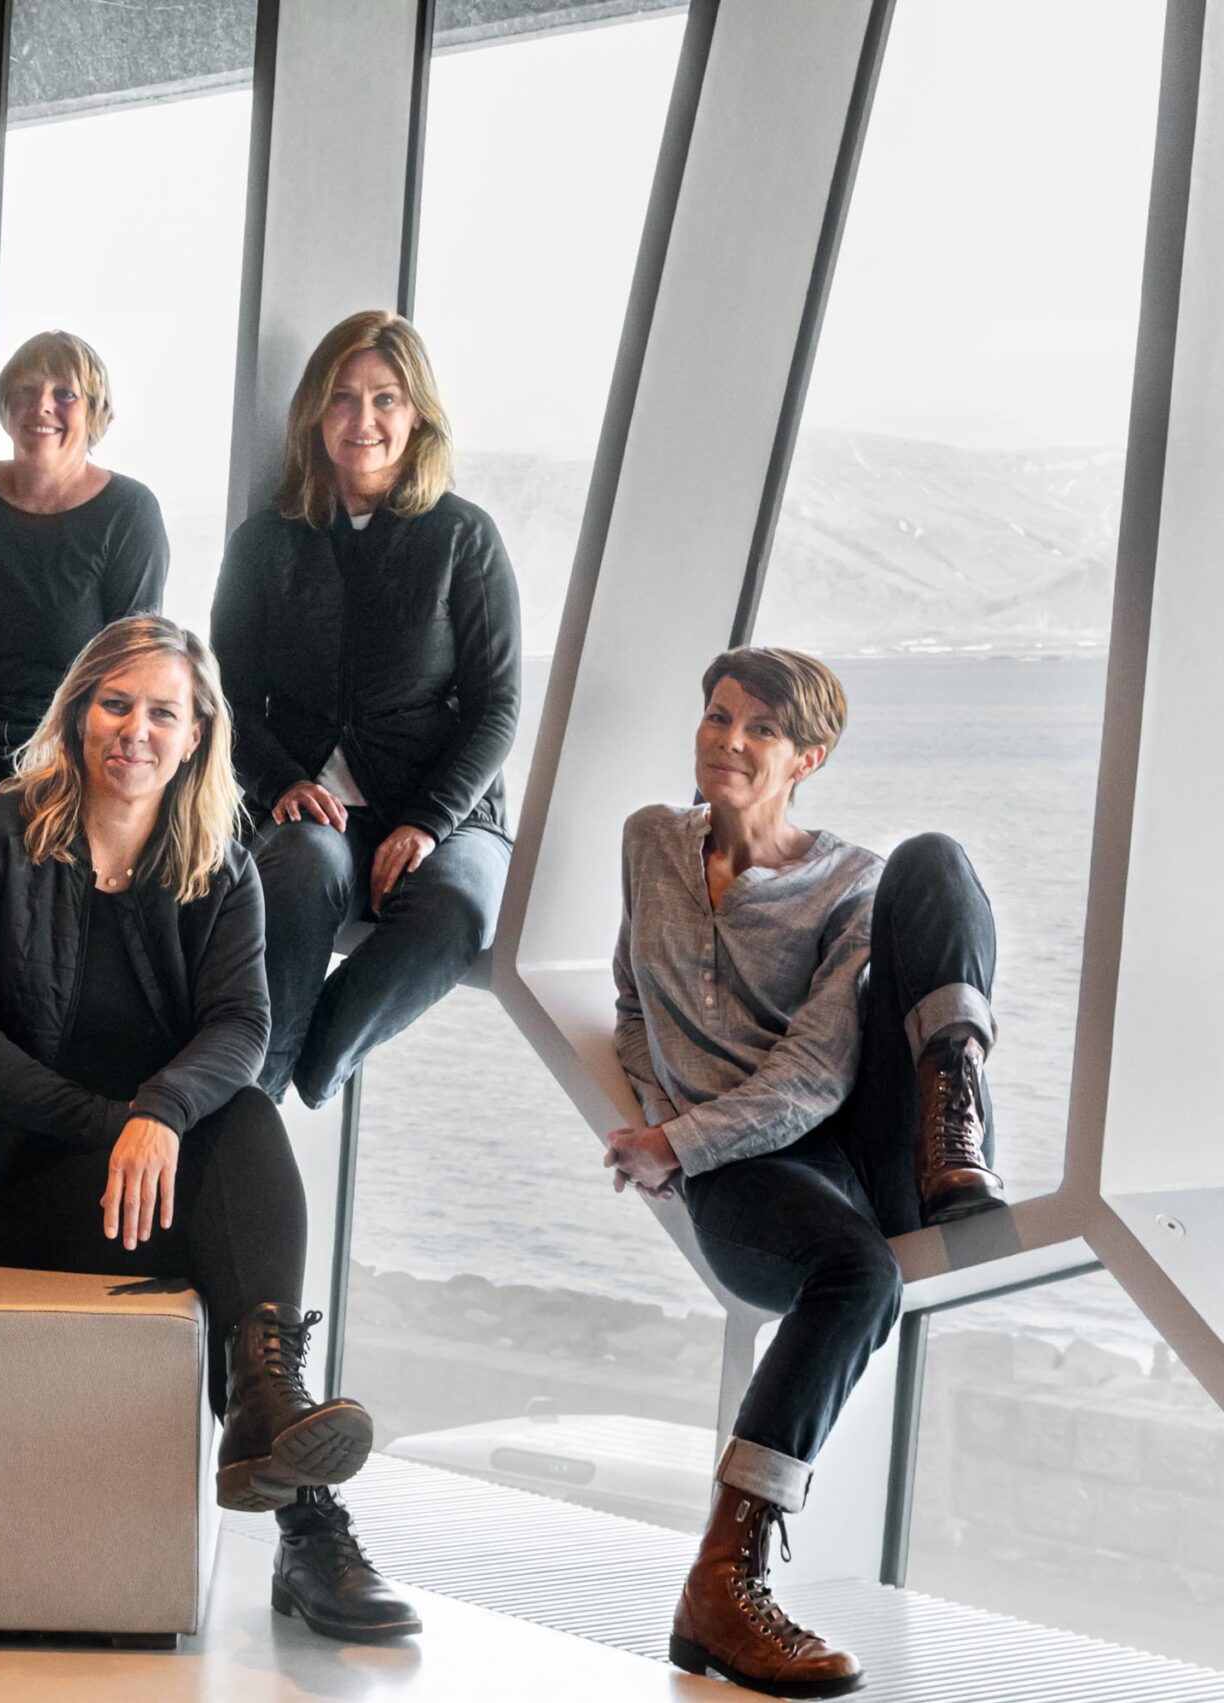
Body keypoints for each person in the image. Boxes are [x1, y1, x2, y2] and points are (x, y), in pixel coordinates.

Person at [0, 615, 417, 1644]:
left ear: (195, 734)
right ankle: (306, 1523)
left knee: (236, 1112)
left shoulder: (217, 860)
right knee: (221, 1205)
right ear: (77, 712)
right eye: (114, 703)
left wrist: (160, 1112)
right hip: (10, 1178)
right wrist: (120, 1122)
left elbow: (243, 1025)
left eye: (161, 712)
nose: (133, 730)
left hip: (152, 1162)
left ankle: (271, 1408)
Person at [607, 646, 1008, 1698]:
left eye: (758, 729)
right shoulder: (648, 840)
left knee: (934, 861)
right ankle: (722, 1581)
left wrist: (675, 1141)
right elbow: (630, 999)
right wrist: (666, 1114)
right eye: (715, 714)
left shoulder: (845, 880)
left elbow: (819, 1070)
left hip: (841, 1136)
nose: (726, 740)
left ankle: (953, 1124)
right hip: (742, 1174)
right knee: (858, 1276)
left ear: (807, 757)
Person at [213, 310, 518, 1108]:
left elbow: (498, 707)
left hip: (448, 814)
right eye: (344, 398)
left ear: (417, 414)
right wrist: (281, 782)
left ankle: (315, 1061)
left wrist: (426, 822)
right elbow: (230, 701)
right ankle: (254, 1104)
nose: (364, 420)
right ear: (316, 412)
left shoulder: (465, 538)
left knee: (456, 907)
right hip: (312, 813)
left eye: (387, 399)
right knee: (297, 868)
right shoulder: (263, 545)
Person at [0, 330, 169, 874]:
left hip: (70, 757)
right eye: (24, 391)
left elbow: (136, 670)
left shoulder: (129, 511)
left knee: (42, 928)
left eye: (64, 393)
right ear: (3, 409)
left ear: (94, 411)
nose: (42, 406)